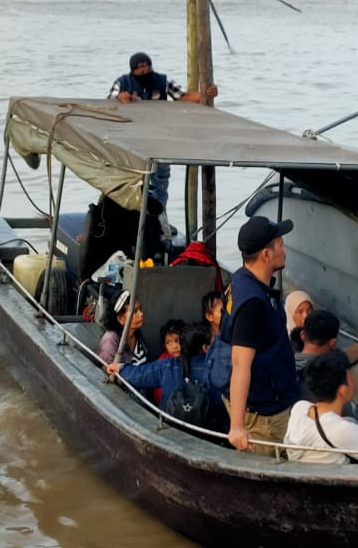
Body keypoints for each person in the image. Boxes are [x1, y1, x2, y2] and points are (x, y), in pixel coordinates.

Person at [223, 216, 300, 453]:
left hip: (273, 393)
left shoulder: (241, 278)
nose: (284, 249)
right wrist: (237, 427)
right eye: (280, 244)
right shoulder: (253, 303)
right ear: (266, 255)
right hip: (262, 414)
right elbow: (240, 362)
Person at [107, 52, 219, 215]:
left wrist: (206, 93)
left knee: (160, 185)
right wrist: (119, 97)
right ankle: (134, 219)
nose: (145, 70)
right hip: (132, 144)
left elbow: (184, 97)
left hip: (160, 142)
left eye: (148, 65)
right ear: (133, 70)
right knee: (134, 184)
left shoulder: (162, 81)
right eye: (141, 67)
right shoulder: (122, 83)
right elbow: (109, 103)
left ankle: (160, 221)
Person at [107, 325, 209, 411]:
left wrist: (120, 368)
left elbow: (140, 374)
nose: (174, 346)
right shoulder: (214, 369)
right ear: (205, 348)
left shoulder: (167, 366)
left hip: (169, 423)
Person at [295, 308, 358, 376]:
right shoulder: (322, 376)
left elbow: (336, 358)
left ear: (302, 335)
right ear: (333, 343)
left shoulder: (288, 363)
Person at [98, 291, 148, 366]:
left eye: (140, 309)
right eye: (135, 311)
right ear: (121, 318)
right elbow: (107, 372)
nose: (141, 314)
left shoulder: (137, 334)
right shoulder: (111, 340)